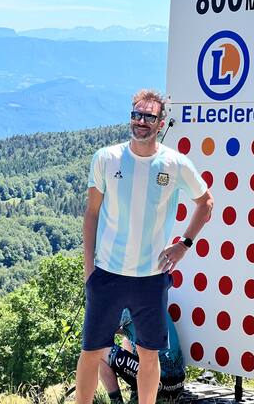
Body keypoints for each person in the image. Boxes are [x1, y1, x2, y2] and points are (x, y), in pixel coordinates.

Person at [76, 89, 213, 404]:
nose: (141, 121)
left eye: (149, 116)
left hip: (151, 278)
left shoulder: (175, 163)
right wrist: (89, 271)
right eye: (136, 114)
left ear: (161, 121)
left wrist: (183, 245)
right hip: (107, 273)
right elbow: (92, 215)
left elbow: (206, 203)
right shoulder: (106, 158)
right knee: (91, 351)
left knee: (149, 354)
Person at [99, 308, 185, 402]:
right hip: (177, 383)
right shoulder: (149, 299)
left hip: (159, 382)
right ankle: (136, 392)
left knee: (99, 350)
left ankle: (116, 401)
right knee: (126, 341)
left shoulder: (126, 304)